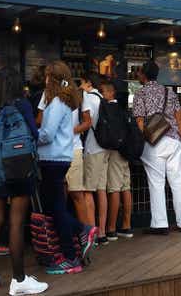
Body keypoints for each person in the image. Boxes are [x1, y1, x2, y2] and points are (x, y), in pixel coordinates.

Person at [0, 67, 48, 294]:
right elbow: (34, 136)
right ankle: (18, 280)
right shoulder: (22, 105)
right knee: (16, 222)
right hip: (20, 170)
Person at [38, 61, 98, 274]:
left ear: (51, 78)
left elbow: (47, 134)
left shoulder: (56, 103)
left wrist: (29, 136)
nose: (44, 80)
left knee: (57, 209)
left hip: (52, 159)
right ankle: (81, 233)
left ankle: (71, 256)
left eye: (46, 76)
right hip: (60, 158)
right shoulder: (65, 101)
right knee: (56, 208)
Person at [133, 61, 181, 235]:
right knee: (178, 181)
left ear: (143, 74)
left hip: (154, 143)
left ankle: (160, 224)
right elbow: (179, 118)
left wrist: (147, 137)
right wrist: (179, 136)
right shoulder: (170, 92)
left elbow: (139, 121)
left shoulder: (140, 93)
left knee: (156, 183)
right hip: (173, 141)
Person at [79, 73, 111, 245]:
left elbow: (86, 122)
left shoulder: (88, 97)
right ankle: (102, 233)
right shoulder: (101, 97)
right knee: (101, 190)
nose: (80, 85)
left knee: (87, 191)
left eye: (82, 82)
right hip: (105, 148)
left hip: (93, 148)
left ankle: (91, 233)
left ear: (88, 83)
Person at [100, 80, 134, 240]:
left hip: (113, 152)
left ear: (111, 93)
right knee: (125, 188)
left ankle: (111, 228)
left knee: (113, 189)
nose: (101, 95)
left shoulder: (109, 109)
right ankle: (126, 226)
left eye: (103, 92)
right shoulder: (124, 110)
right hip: (125, 152)